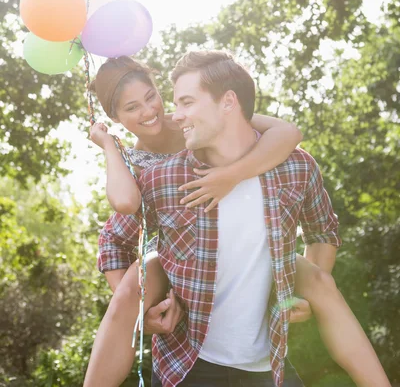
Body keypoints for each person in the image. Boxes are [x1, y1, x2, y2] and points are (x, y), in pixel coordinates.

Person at [83, 54, 390, 387]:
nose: (166, 113)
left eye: (177, 101)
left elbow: (319, 222)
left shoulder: (292, 167)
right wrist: (142, 312)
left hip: (267, 364)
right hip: (186, 338)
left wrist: (294, 297)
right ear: (116, 117)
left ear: (227, 102)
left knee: (319, 282)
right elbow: (118, 228)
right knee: (133, 283)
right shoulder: (157, 176)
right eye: (132, 108)